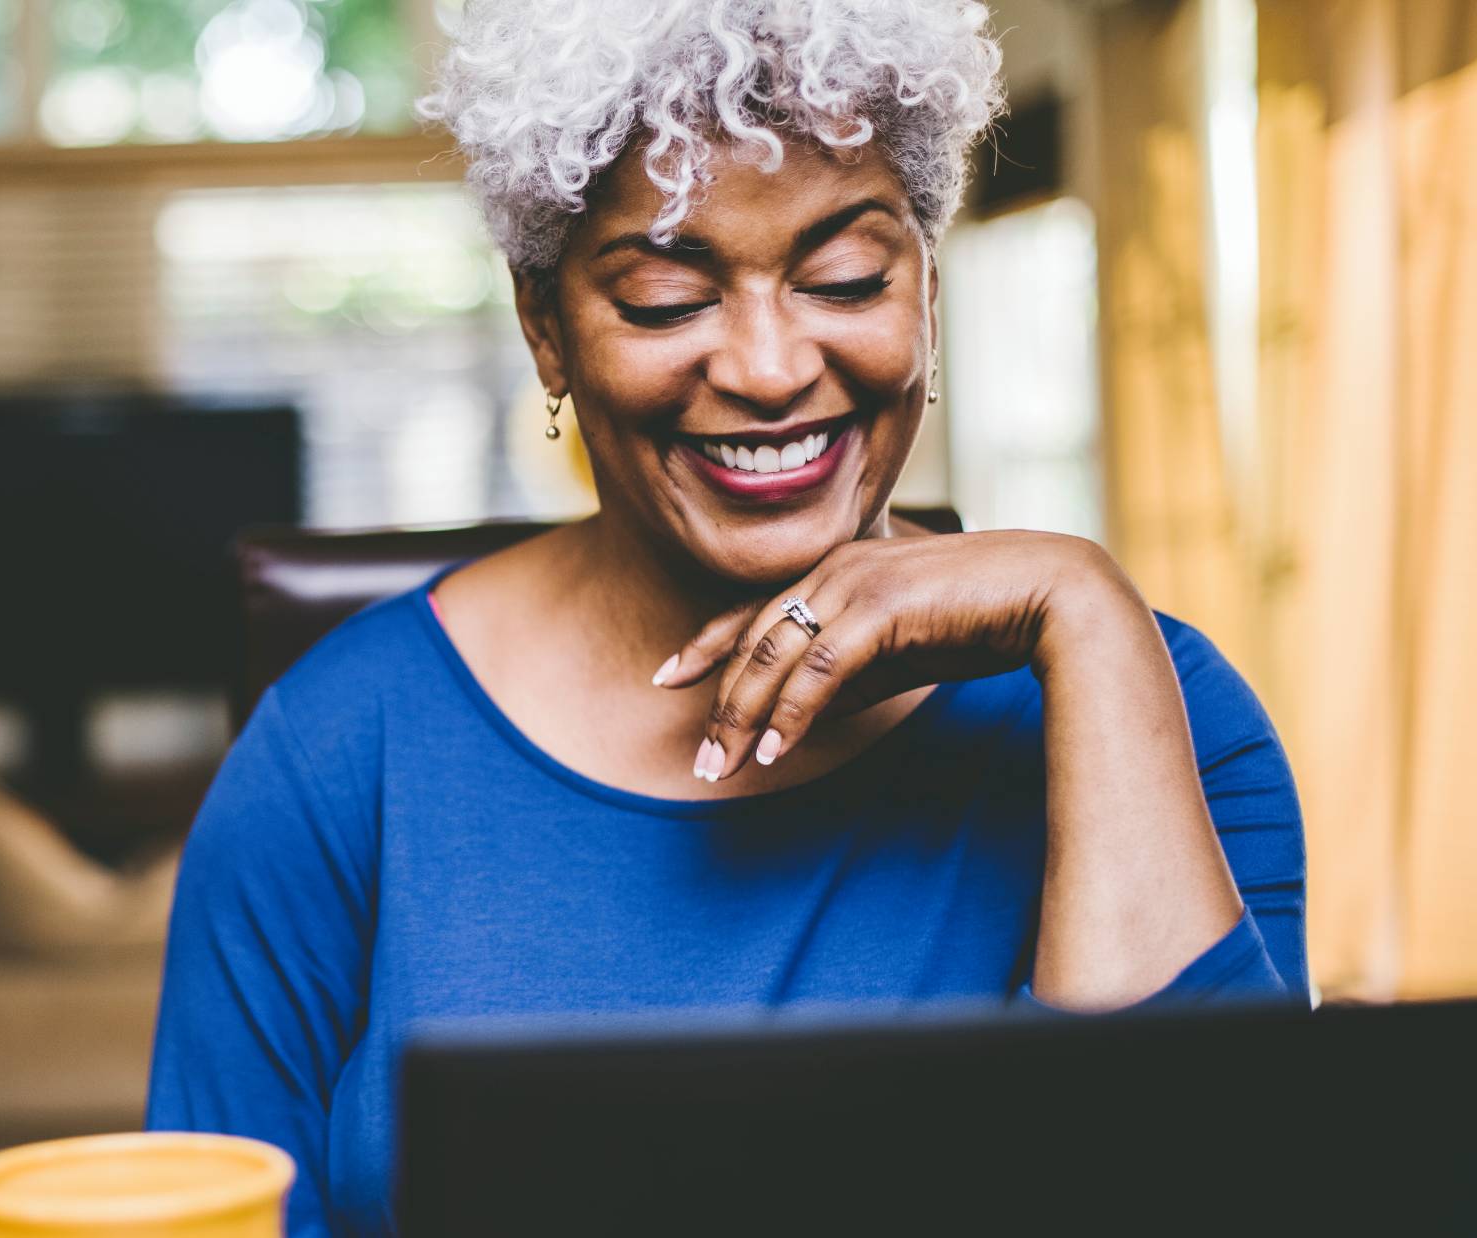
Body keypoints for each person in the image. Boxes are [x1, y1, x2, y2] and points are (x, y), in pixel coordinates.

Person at [147, 2, 1307, 1233]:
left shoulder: (1156, 710)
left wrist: (1085, 608)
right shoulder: (334, 757)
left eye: (846, 276)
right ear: (545, 326)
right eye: (662, 296)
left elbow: (1210, 1188)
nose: (765, 367)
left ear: (925, 285)